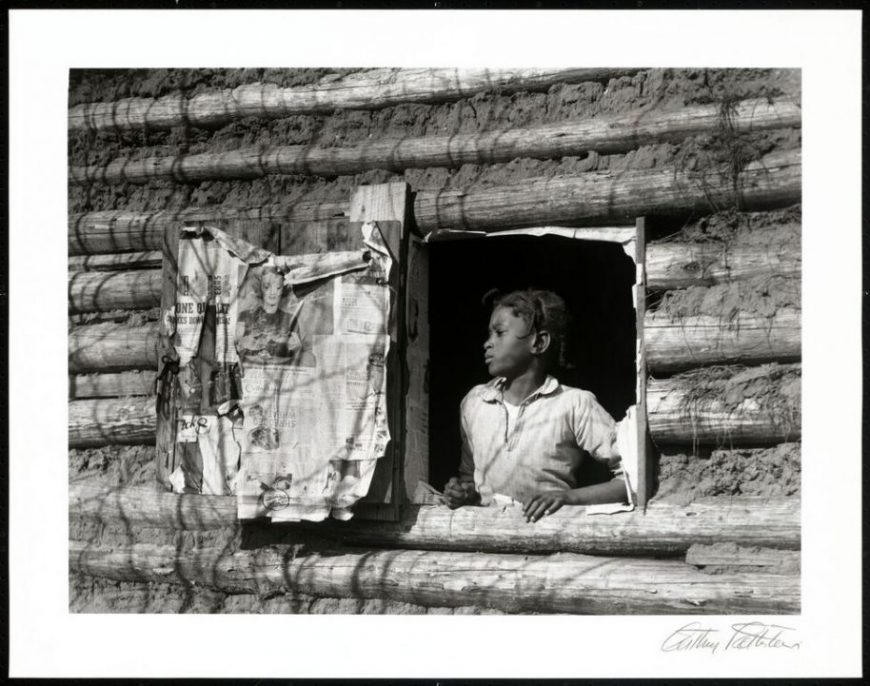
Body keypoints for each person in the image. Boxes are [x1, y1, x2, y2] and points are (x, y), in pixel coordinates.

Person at [444, 288, 631, 522]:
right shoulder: (475, 402)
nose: (487, 344)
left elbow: (632, 478)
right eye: (489, 334)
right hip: (486, 542)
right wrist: (462, 492)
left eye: (499, 333)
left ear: (539, 342)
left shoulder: (573, 404)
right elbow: (469, 476)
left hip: (547, 540)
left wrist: (568, 497)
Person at [236, 267, 303, 362]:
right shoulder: (245, 315)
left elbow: (298, 352)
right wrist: (242, 343)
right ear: (259, 288)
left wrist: (295, 347)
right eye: (267, 287)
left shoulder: (291, 318)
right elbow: (234, 347)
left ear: (283, 289)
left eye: (278, 287)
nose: (273, 292)